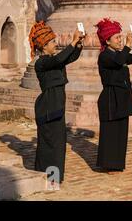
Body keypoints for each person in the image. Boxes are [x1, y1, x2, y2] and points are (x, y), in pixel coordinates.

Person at [29, 21, 84, 185]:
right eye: (52, 41)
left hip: (57, 107)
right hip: (48, 107)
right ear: (44, 46)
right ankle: (45, 176)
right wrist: (72, 42)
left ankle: (53, 177)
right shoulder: (41, 62)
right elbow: (60, 58)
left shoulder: (54, 60)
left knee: (58, 144)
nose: (56, 43)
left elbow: (68, 57)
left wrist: (79, 45)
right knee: (49, 144)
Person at [95, 18, 132, 174]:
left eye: (120, 37)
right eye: (117, 37)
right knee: (111, 133)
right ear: (107, 41)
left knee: (121, 132)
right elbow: (120, 60)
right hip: (110, 98)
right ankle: (108, 164)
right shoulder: (105, 56)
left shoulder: (117, 54)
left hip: (122, 97)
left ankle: (117, 163)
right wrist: (127, 45)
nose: (120, 40)